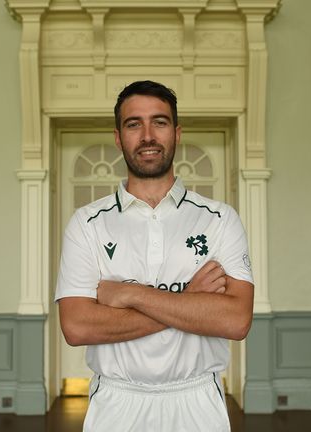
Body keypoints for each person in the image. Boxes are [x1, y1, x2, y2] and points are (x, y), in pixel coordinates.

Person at [55, 80, 254, 431]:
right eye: (134, 124)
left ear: (176, 133)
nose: (147, 135)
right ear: (118, 137)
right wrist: (190, 302)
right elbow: (77, 325)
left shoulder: (220, 219)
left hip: (197, 401)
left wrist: (130, 294)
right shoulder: (87, 223)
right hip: (117, 401)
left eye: (159, 122)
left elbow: (235, 320)